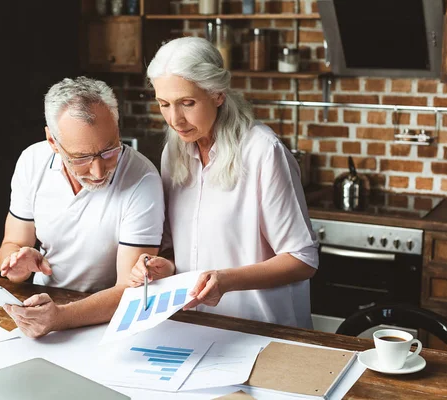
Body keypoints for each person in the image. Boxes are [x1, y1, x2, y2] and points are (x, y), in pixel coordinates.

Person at [128, 37, 319, 328]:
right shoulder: (174, 152)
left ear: (217, 94)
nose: (175, 119)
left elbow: (302, 260)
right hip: (198, 329)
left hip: (264, 331)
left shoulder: (262, 151)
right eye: (164, 104)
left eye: (187, 103)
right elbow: (179, 248)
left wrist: (225, 280)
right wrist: (162, 266)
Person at [0, 76, 165, 337]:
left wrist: (60, 317)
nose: (98, 171)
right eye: (81, 158)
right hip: (42, 306)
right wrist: (17, 266)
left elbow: (130, 289)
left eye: (109, 150)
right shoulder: (32, 161)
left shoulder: (142, 179)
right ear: (52, 141)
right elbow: (11, 244)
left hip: (107, 318)